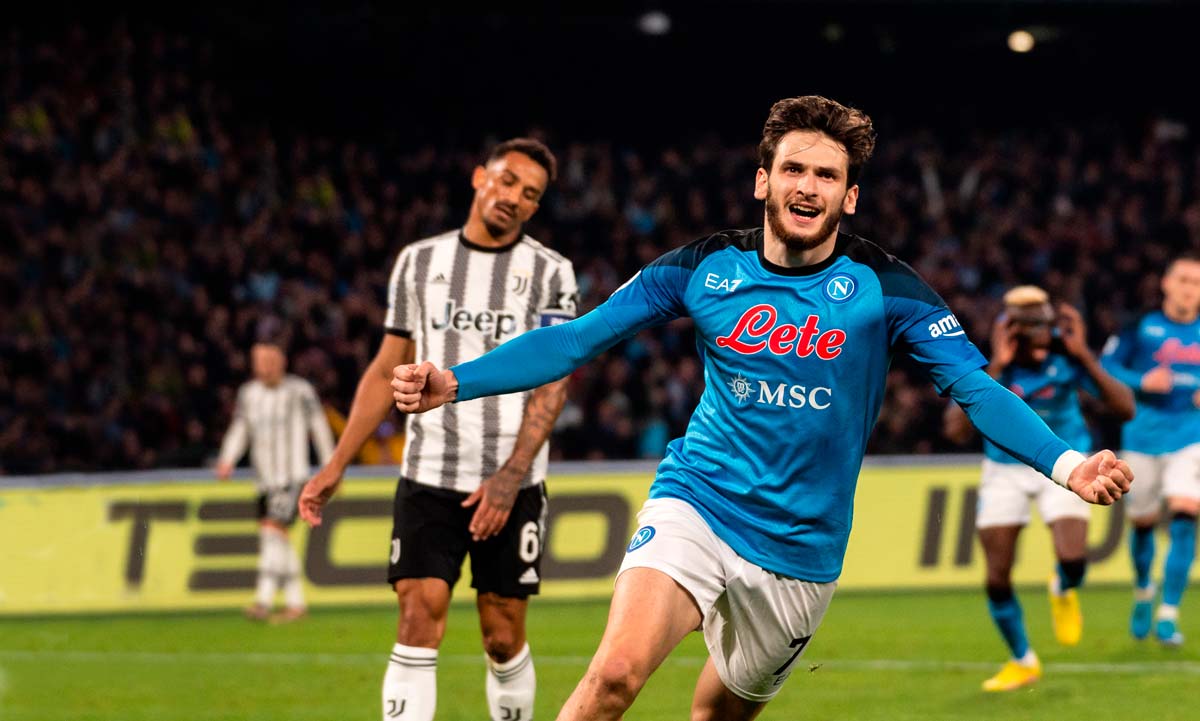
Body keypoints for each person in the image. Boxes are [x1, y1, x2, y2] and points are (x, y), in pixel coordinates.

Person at [387, 96, 1134, 721]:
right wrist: (456, 380)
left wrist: (1067, 464)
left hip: (802, 550)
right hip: (699, 500)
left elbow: (976, 386)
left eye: (827, 175)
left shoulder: (888, 288)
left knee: (715, 713)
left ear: (850, 197)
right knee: (613, 675)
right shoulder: (702, 266)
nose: (808, 187)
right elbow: (579, 338)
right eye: (794, 169)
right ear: (763, 181)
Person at [298, 138, 576, 721]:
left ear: (536, 207)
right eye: (507, 181)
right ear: (479, 178)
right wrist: (336, 464)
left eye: (530, 194)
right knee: (417, 616)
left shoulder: (552, 272)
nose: (515, 198)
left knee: (502, 633)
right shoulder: (418, 262)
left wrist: (510, 477)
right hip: (428, 473)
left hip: (513, 482)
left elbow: (554, 383)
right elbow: (385, 368)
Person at [943, 286, 1134, 691]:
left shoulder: (1067, 360)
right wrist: (997, 364)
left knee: (1073, 560)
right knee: (996, 577)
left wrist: (1085, 356)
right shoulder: (989, 369)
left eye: (1043, 320)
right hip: (1003, 469)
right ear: (1010, 327)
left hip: (1065, 463)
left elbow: (1125, 408)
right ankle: (1022, 660)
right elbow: (955, 431)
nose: (1040, 330)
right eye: (1029, 323)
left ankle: (1062, 587)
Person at [1101, 255, 1200, 646]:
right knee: (1142, 522)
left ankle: (1169, 614)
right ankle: (1144, 587)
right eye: (1183, 279)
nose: (1190, 288)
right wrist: (1141, 380)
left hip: (1190, 436)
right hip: (1142, 437)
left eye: (1197, 282)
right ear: (1166, 284)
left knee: (1186, 513)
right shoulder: (1140, 326)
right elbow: (1105, 366)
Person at [216, 339, 335, 622]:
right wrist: (227, 458)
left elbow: (319, 426)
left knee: (272, 531)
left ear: (282, 361)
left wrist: (330, 466)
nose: (264, 367)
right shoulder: (249, 394)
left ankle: (263, 600)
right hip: (264, 480)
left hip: (292, 477)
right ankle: (295, 603)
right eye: (259, 361)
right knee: (275, 538)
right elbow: (241, 428)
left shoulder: (299, 391)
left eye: (269, 361)